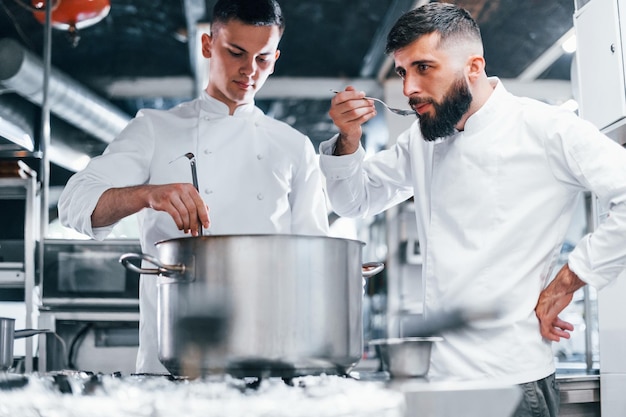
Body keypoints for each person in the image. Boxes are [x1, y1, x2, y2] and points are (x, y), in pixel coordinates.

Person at [320, 3, 626, 416]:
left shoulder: (546, 128)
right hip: (441, 381)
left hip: (511, 382)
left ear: (473, 66)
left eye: (423, 67)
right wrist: (348, 140)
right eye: (402, 72)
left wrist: (570, 280)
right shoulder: (422, 141)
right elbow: (354, 200)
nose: (409, 87)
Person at [58, 0, 329, 374]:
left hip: (269, 362)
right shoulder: (155, 128)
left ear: (275, 57)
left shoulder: (294, 146)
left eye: (262, 58)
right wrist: (147, 195)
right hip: (169, 362)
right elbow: (73, 203)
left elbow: (315, 264)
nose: (248, 70)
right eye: (236, 52)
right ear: (207, 45)